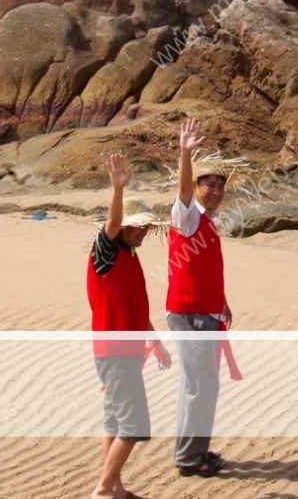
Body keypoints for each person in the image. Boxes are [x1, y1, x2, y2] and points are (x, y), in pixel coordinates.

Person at [88, 153, 171, 499]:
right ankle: (103, 489)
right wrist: (118, 189)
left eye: (146, 227)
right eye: (138, 226)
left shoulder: (130, 256)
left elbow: (138, 308)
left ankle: (115, 488)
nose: (144, 232)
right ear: (123, 227)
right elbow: (112, 222)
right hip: (114, 353)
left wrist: (155, 341)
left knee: (114, 420)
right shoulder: (105, 252)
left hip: (126, 352)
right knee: (134, 425)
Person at [166, 118, 239, 479]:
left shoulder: (208, 220)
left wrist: (221, 302)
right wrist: (185, 153)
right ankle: (189, 458)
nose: (215, 189)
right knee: (201, 386)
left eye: (220, 184)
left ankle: (194, 450)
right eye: (209, 183)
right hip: (188, 313)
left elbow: (207, 267)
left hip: (205, 312)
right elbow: (182, 189)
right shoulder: (188, 216)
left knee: (196, 386)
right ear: (197, 186)